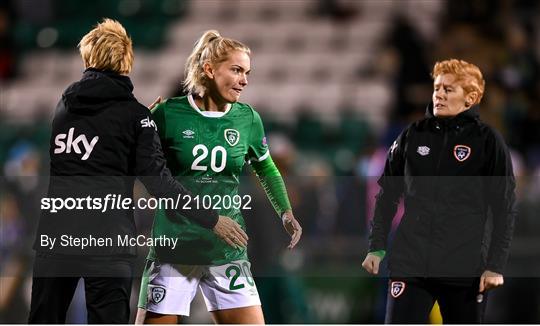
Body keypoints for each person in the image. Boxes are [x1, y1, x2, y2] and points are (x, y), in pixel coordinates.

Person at [28, 19, 246, 324]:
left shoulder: (64, 107)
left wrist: (142, 127)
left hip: (57, 234)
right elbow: (158, 183)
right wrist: (211, 219)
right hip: (107, 239)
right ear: (126, 62)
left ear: (89, 58)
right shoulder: (134, 116)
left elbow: (95, 159)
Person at [136, 30, 302, 324]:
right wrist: (136, 135)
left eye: (247, 72)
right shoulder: (167, 114)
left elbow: (266, 168)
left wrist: (285, 211)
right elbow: (144, 170)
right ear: (209, 69)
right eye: (236, 70)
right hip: (175, 247)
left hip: (226, 247)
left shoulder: (248, 118)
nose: (244, 80)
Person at [362, 59, 517, 323]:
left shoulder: (488, 142)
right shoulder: (411, 136)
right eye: (437, 88)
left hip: (464, 267)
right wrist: (376, 246)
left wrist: (495, 265)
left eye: (449, 89)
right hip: (411, 263)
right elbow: (387, 195)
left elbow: (504, 207)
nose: (439, 95)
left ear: (470, 98)